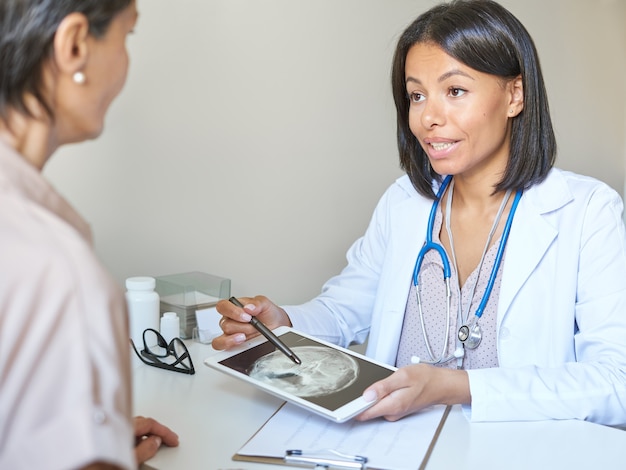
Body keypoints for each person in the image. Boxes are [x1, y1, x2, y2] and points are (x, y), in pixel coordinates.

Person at [213, 0, 626, 426]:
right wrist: (285, 321)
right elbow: (343, 310)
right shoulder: (405, 202)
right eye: (416, 95)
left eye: (455, 91)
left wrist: (455, 387)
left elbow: (617, 383)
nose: (428, 116)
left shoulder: (588, 212)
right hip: (390, 447)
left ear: (514, 95)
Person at [0, 1, 178, 468]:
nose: (125, 61)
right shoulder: (56, 270)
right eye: (127, 35)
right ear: (74, 45)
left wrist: (76, 430)